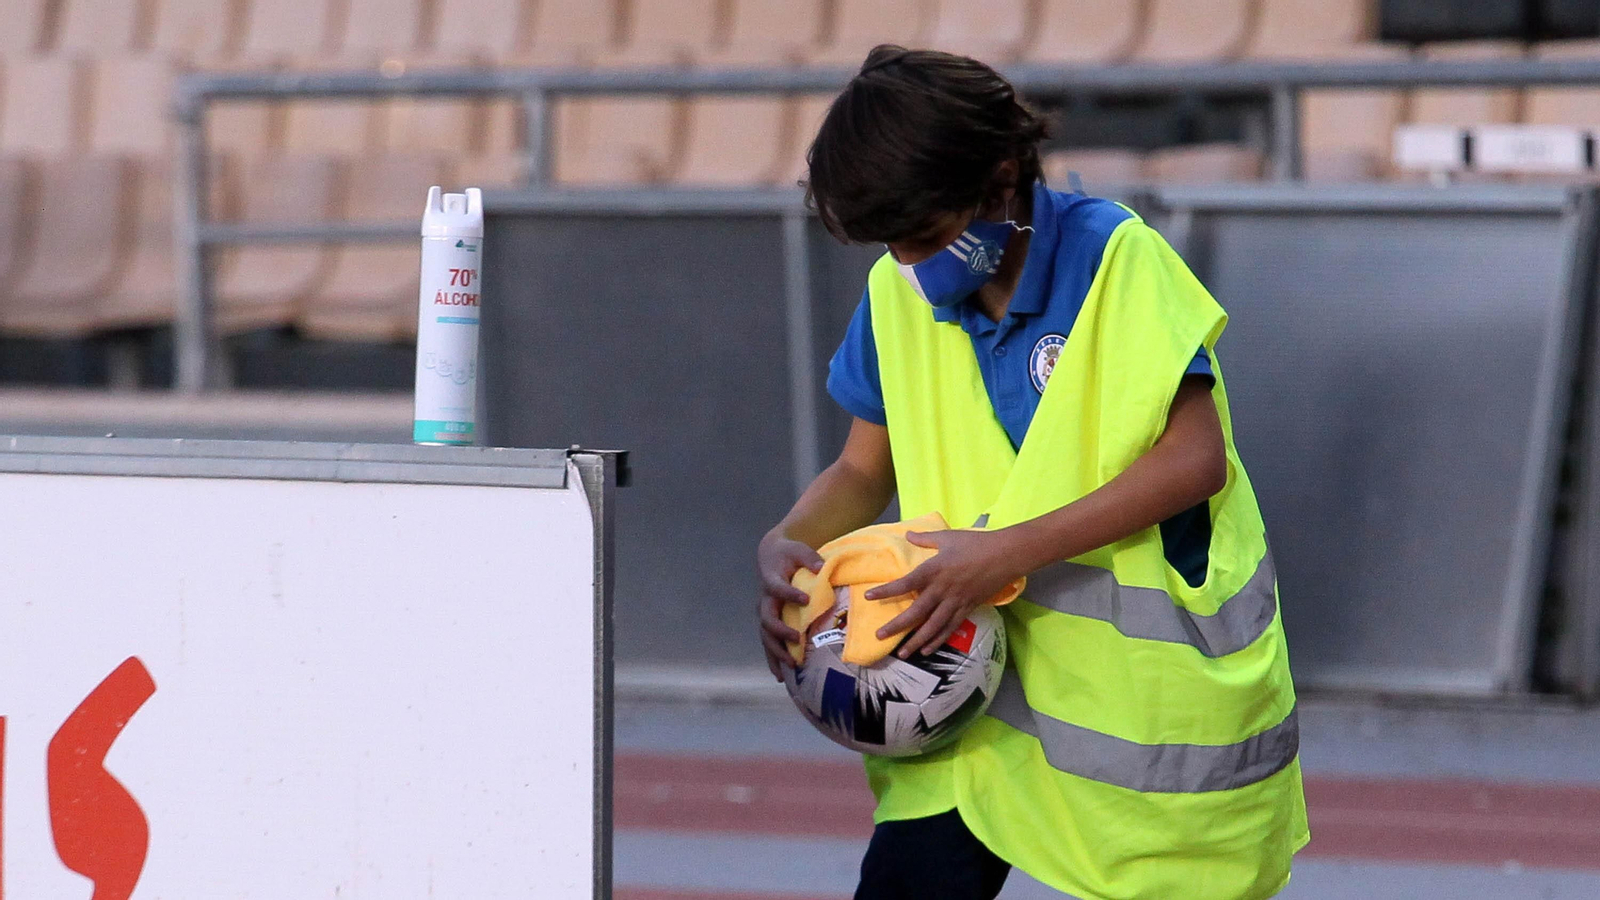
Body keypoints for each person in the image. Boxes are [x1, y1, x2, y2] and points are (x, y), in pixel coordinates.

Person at [756, 46, 1308, 900]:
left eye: (925, 236)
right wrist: (790, 541)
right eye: (892, 246)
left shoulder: (1116, 259)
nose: (909, 263)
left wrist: (1005, 554)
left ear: (1000, 181)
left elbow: (1195, 460)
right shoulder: (898, 287)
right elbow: (862, 469)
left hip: (1138, 716)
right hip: (964, 690)